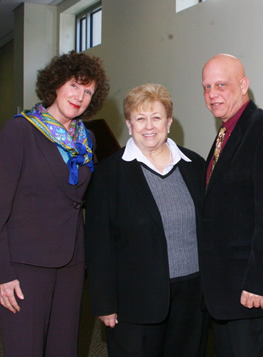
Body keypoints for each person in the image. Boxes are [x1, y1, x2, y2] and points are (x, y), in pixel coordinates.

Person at [0, 51, 109, 356]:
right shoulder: (20, 131)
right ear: (56, 84)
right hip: (25, 264)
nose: (80, 96)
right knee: (25, 348)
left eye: (88, 91)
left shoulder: (87, 139)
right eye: (75, 85)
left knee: (64, 348)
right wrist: (2, 273)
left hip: (72, 261)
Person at [84, 83, 208, 356]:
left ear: (169, 122)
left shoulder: (195, 165)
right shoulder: (108, 174)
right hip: (135, 300)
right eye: (140, 118)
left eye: (156, 117)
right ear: (129, 124)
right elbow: (98, 244)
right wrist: (105, 303)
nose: (149, 126)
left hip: (192, 298)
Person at [199, 54, 263, 356]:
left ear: (243, 85)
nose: (212, 94)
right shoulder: (226, 132)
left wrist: (260, 282)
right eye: (206, 87)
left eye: (221, 84)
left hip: (250, 292)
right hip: (226, 290)